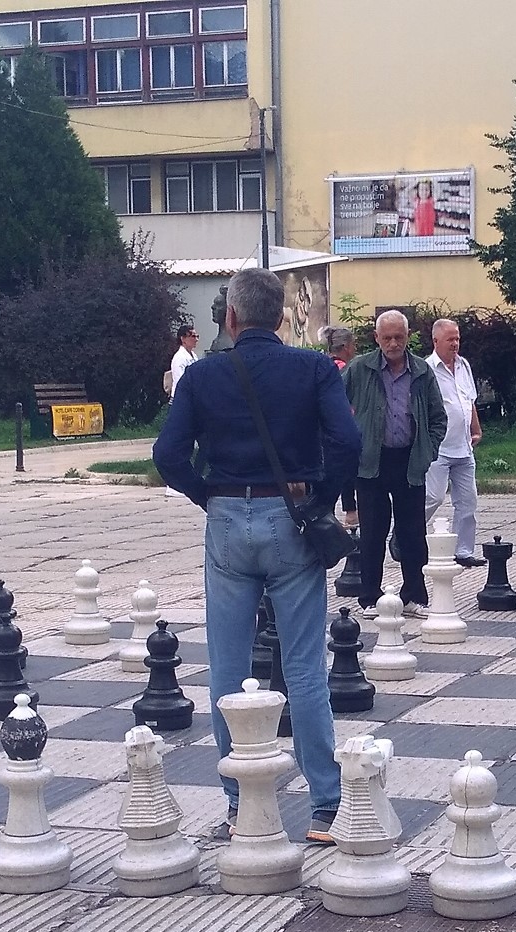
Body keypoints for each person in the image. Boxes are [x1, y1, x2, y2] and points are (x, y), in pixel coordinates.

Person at [152, 268, 361, 843]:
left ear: (232, 317)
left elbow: (168, 453)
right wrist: (320, 497)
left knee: (228, 667)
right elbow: (348, 441)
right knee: (302, 669)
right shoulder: (315, 367)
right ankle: (325, 806)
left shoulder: (203, 375)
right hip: (290, 517)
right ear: (280, 317)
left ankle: (238, 803)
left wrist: (207, 496)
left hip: (226, 519)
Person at [344, 310, 447, 618]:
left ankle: (414, 595)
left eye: (398, 337)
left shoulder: (421, 371)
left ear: (407, 337)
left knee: (413, 532)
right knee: (373, 532)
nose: (392, 343)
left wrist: (428, 450)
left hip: (410, 460)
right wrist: (349, 445)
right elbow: (333, 407)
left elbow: (438, 416)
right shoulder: (359, 369)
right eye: (386, 337)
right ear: (376, 338)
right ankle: (370, 597)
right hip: (371, 461)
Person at [424, 318, 485, 566]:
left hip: (464, 446)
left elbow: (468, 399)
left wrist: (477, 429)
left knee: (468, 501)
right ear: (436, 341)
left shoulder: (464, 365)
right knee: (433, 497)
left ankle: (463, 551)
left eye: (457, 338)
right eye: (450, 339)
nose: (455, 343)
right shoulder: (427, 369)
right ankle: (405, 534)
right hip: (439, 447)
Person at [320, 325, 360, 528]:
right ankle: (351, 513)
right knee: (347, 471)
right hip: (340, 427)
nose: (354, 350)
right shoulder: (345, 369)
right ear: (345, 347)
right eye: (353, 345)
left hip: (320, 431)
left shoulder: (321, 366)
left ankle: (325, 513)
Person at [168, 323, 198, 396]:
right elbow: (180, 381)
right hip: (181, 397)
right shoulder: (179, 358)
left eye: (197, 336)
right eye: (193, 336)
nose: (196, 339)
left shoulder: (194, 356)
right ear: (183, 339)